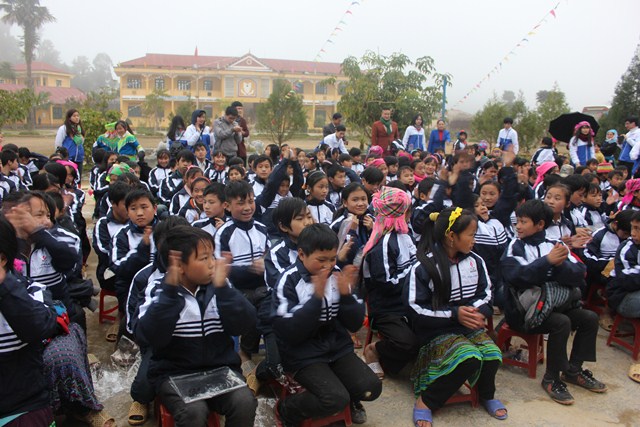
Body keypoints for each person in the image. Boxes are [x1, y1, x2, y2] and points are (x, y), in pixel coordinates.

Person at [136, 226, 258, 427]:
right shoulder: (158, 290)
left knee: (244, 402)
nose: (212, 264)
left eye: (212, 256)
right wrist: (169, 295)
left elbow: (245, 324)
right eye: (204, 258)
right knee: (194, 411)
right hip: (175, 374)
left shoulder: (221, 286)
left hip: (220, 368)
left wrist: (224, 291)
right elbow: (148, 336)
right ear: (179, 265)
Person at [273, 224, 382, 426]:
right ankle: (287, 409)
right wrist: (315, 299)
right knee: (334, 398)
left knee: (371, 387)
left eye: (332, 259)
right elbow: (288, 331)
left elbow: (354, 324)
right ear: (302, 254)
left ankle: (349, 399)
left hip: (336, 347)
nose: (328, 265)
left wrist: (346, 295)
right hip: (302, 353)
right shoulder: (288, 281)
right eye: (321, 260)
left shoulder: (337, 274)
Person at [406, 207, 506, 427]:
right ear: (452, 236)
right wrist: (454, 315)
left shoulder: (475, 261)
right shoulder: (424, 266)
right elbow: (415, 309)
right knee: (468, 357)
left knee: (492, 354)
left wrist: (473, 312)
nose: (474, 239)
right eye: (471, 234)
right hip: (435, 331)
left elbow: (486, 294)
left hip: (467, 327)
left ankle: (486, 394)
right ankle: (427, 401)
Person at [502, 200, 606, 404]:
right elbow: (516, 275)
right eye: (517, 221)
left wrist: (557, 267)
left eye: (523, 222)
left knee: (589, 318)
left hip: (555, 305)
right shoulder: (516, 246)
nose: (518, 226)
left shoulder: (555, 245)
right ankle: (551, 378)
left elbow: (580, 273)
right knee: (561, 322)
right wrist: (547, 263)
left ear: (540, 224)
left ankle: (573, 370)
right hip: (524, 312)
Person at [0, 215, 60, 427]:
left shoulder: (30, 291)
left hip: (20, 407)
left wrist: (4, 286)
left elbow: (40, 327)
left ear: (2, 259)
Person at [362, 187, 418, 379]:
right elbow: (387, 283)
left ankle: (398, 361)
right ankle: (374, 350)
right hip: (388, 308)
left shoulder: (406, 236)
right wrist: (415, 273)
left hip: (408, 302)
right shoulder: (384, 244)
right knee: (407, 343)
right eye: (407, 212)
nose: (410, 216)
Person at [54, 109, 85, 175]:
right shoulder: (64, 128)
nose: (77, 117)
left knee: (78, 177)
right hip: (68, 158)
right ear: (69, 117)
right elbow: (58, 143)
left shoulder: (79, 129)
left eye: (78, 116)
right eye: (74, 116)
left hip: (79, 158)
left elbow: (82, 142)